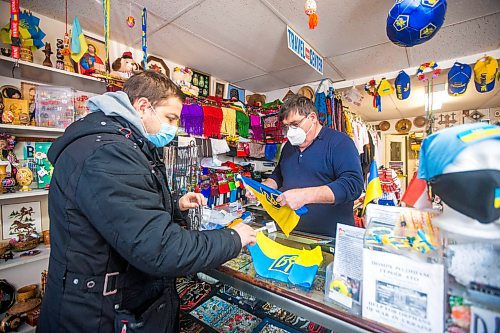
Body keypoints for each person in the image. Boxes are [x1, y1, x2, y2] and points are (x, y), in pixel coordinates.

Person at [37, 71, 256, 333]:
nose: (173, 129)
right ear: (143, 107)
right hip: (97, 314)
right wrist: (233, 238)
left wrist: (175, 205)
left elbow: (120, 214)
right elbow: (161, 248)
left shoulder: (117, 144)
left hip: (104, 302)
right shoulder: (109, 153)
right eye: (170, 118)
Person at [249, 95, 363, 237]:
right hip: (291, 233)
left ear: (313, 118)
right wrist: (263, 188)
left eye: (295, 124)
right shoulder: (289, 147)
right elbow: (279, 175)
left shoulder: (340, 142)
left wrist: (305, 195)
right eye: (287, 127)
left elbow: (353, 185)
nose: (291, 132)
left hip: (330, 237)